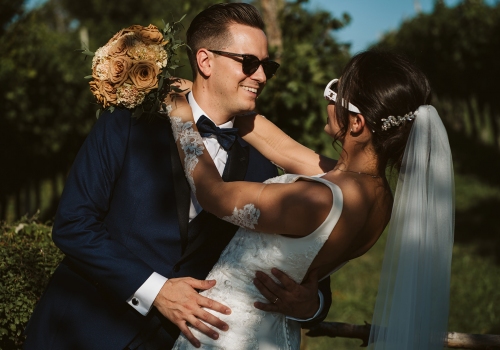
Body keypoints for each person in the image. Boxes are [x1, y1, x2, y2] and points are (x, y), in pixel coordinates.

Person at [22, 3, 332, 350]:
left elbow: (301, 260)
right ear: (205, 61)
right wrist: (157, 290)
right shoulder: (128, 123)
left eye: (267, 67)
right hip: (80, 332)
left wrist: (312, 306)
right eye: (249, 62)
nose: (260, 76)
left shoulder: (264, 167)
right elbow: (73, 224)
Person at [166, 50, 454, 349]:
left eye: (335, 92)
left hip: (223, 335)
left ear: (356, 123)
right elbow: (280, 146)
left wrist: (179, 114)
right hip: (276, 337)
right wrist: (200, 90)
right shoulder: (376, 196)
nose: (327, 99)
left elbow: (214, 194)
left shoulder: (318, 199)